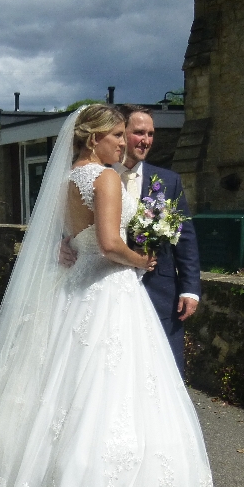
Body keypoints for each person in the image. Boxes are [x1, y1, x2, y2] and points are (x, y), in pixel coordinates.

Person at [0, 105, 213, 487]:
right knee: (111, 386)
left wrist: (77, 246)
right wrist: (143, 262)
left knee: (67, 385)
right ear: (93, 138)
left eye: (126, 135)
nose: (123, 143)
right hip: (110, 289)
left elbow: (71, 240)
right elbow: (113, 245)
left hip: (78, 289)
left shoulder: (63, 181)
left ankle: (45, 480)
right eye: (116, 135)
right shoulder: (107, 178)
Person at [60, 106, 200, 374]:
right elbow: (84, 231)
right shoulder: (101, 174)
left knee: (160, 373)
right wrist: (63, 244)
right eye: (136, 133)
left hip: (158, 292)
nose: (144, 140)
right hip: (104, 289)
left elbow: (185, 235)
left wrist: (190, 288)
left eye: (150, 133)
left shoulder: (169, 181)